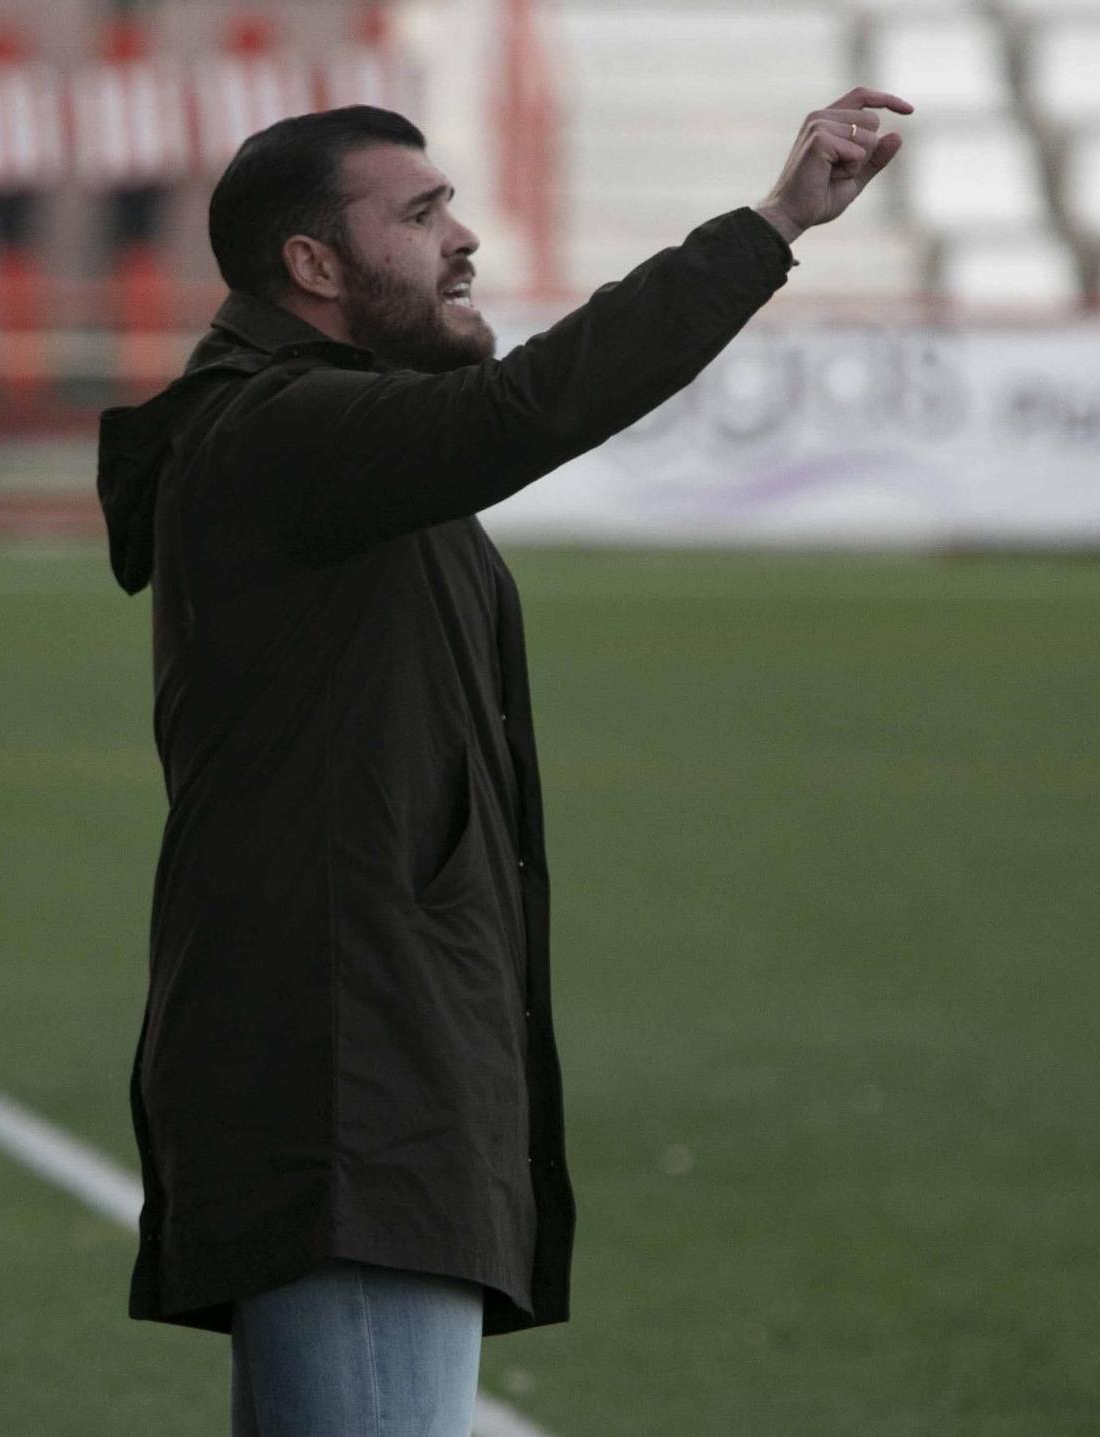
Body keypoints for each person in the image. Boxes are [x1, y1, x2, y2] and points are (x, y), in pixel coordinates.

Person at [94, 87, 909, 1436]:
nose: (463, 240)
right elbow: (525, 407)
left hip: (366, 1076)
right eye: (421, 216)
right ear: (313, 266)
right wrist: (769, 227)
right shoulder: (278, 434)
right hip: (350, 1091)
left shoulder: (321, 447)